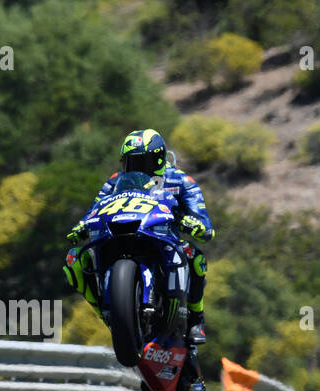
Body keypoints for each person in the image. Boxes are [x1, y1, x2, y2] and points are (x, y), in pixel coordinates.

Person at [64, 128, 214, 344]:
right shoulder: (114, 181)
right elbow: (94, 209)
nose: (138, 169)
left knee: (194, 256)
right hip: (120, 232)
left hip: (163, 237)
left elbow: (202, 220)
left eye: (144, 163)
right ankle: (109, 312)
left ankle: (195, 319)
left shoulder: (181, 180)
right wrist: (81, 225)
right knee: (74, 260)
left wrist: (196, 225)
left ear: (160, 159)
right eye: (132, 164)